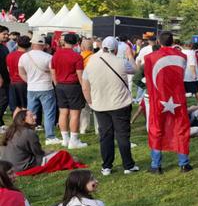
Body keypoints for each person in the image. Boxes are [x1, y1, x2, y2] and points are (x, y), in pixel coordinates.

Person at [82, 37, 139, 176]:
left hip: (100, 104)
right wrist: (130, 56)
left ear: (102, 47)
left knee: (105, 135)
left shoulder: (91, 61)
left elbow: (85, 86)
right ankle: (128, 165)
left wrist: (90, 102)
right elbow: (136, 70)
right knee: (123, 135)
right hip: (120, 103)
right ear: (116, 49)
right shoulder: (121, 62)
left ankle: (106, 166)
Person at [144, 32, 192, 174]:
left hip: (158, 98)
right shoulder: (182, 56)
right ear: (173, 41)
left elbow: (148, 79)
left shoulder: (149, 58)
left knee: (156, 129)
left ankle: (156, 165)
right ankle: (184, 163)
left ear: (158, 41)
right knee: (181, 127)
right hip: (177, 98)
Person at [18, 36, 60, 146]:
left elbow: (21, 72)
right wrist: (56, 84)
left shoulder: (24, 57)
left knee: (30, 113)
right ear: (44, 45)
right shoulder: (49, 57)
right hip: (46, 87)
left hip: (31, 88)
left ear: (32, 44)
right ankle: (50, 136)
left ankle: (28, 134)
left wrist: (29, 81)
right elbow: (53, 73)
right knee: (49, 113)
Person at [50, 33, 87, 149]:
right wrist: (85, 89)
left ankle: (65, 139)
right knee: (75, 114)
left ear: (63, 41)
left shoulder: (56, 54)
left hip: (60, 85)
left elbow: (52, 71)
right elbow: (80, 76)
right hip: (73, 86)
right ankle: (74, 140)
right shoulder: (77, 56)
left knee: (63, 112)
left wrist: (56, 84)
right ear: (76, 43)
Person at [78, 38, 97, 135]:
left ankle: (83, 128)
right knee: (97, 107)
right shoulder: (95, 57)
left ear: (82, 47)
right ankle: (98, 129)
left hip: (83, 83)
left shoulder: (79, 57)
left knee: (84, 108)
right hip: (95, 84)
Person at [6, 35, 30, 112]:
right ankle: (24, 123)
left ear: (17, 43)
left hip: (13, 83)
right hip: (24, 83)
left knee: (16, 108)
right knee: (25, 107)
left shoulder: (10, 55)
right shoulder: (28, 56)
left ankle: (17, 123)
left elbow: (8, 69)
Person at [0, 25, 10, 127]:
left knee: (5, 100)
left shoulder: (4, 47)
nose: (6, 36)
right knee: (3, 100)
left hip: (6, 77)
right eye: (4, 34)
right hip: (1, 78)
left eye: (7, 34)